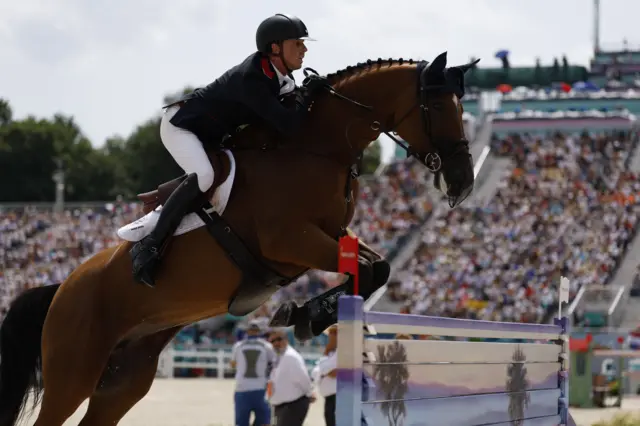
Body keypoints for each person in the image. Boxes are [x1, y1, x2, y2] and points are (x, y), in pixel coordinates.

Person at [129, 13, 329, 287]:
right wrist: (308, 97)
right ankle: (149, 246)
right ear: (275, 48)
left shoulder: (280, 78)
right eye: (297, 43)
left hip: (210, 134)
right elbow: (288, 124)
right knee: (205, 176)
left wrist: (310, 95)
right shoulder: (253, 77)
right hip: (182, 125)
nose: (304, 49)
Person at [230, 320, 277, 426]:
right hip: (260, 388)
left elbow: (233, 364)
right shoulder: (266, 346)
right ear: (258, 332)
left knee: (241, 422)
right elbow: (273, 363)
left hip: (242, 388)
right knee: (264, 422)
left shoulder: (238, 346)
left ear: (247, 331)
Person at [267, 328, 315, 426]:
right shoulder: (279, 356)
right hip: (282, 406)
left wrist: (310, 393)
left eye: (279, 339)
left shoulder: (290, 357)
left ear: (286, 339)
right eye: (273, 341)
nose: (276, 343)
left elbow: (303, 378)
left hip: (293, 405)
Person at [312, 325, 338, 426]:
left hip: (336, 396)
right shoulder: (330, 350)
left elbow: (335, 373)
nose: (331, 336)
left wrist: (323, 371)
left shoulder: (343, 351)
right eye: (330, 333)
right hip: (329, 396)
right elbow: (321, 369)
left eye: (334, 333)